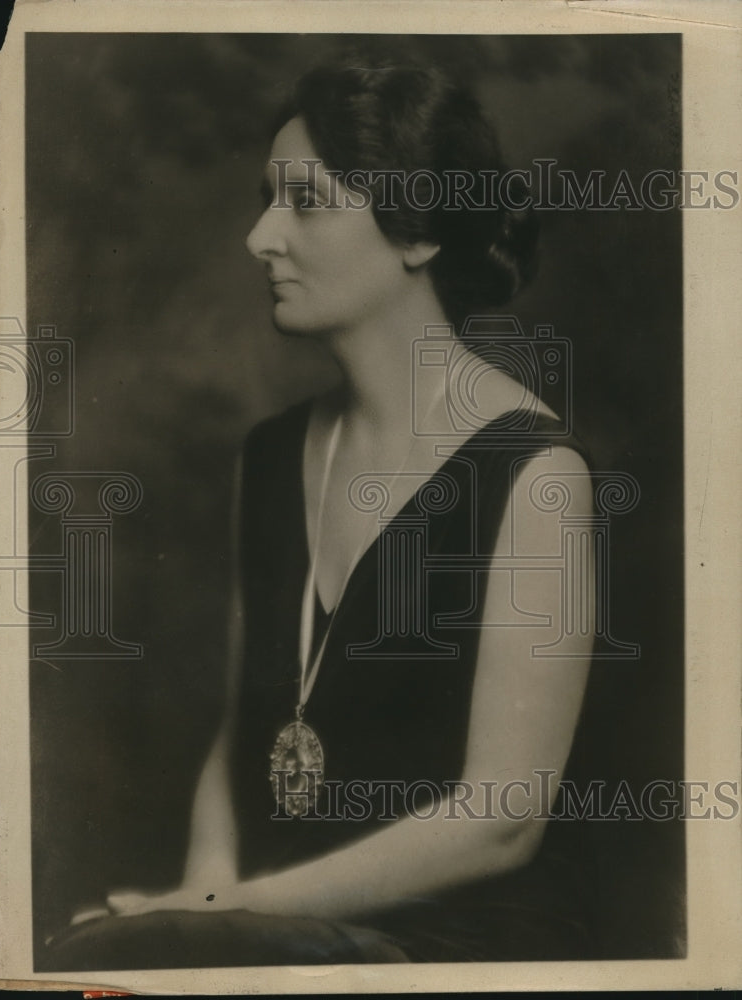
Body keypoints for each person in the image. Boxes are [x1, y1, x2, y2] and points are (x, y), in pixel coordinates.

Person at [44, 51, 596, 969]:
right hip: (283, 931)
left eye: (304, 203)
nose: (260, 236)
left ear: (418, 233)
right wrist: (199, 903)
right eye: (268, 200)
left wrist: (231, 911)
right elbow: (240, 739)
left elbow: (502, 818)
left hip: (461, 954)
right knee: (86, 957)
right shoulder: (269, 457)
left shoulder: (536, 474)